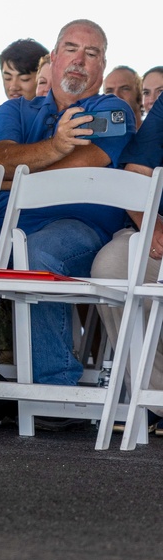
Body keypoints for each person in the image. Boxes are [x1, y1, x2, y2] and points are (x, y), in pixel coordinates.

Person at [0, 20, 134, 385]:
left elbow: (86, 163)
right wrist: (57, 145)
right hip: (4, 227)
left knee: (37, 254)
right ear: (52, 57)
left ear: (101, 65)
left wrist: (13, 180)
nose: (80, 60)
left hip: (79, 229)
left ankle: (54, 388)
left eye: (91, 53)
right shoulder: (16, 110)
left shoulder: (110, 109)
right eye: (71, 49)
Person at [91, 91, 163, 415]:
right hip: (157, 234)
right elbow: (136, 170)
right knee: (113, 266)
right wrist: (153, 227)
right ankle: (155, 400)